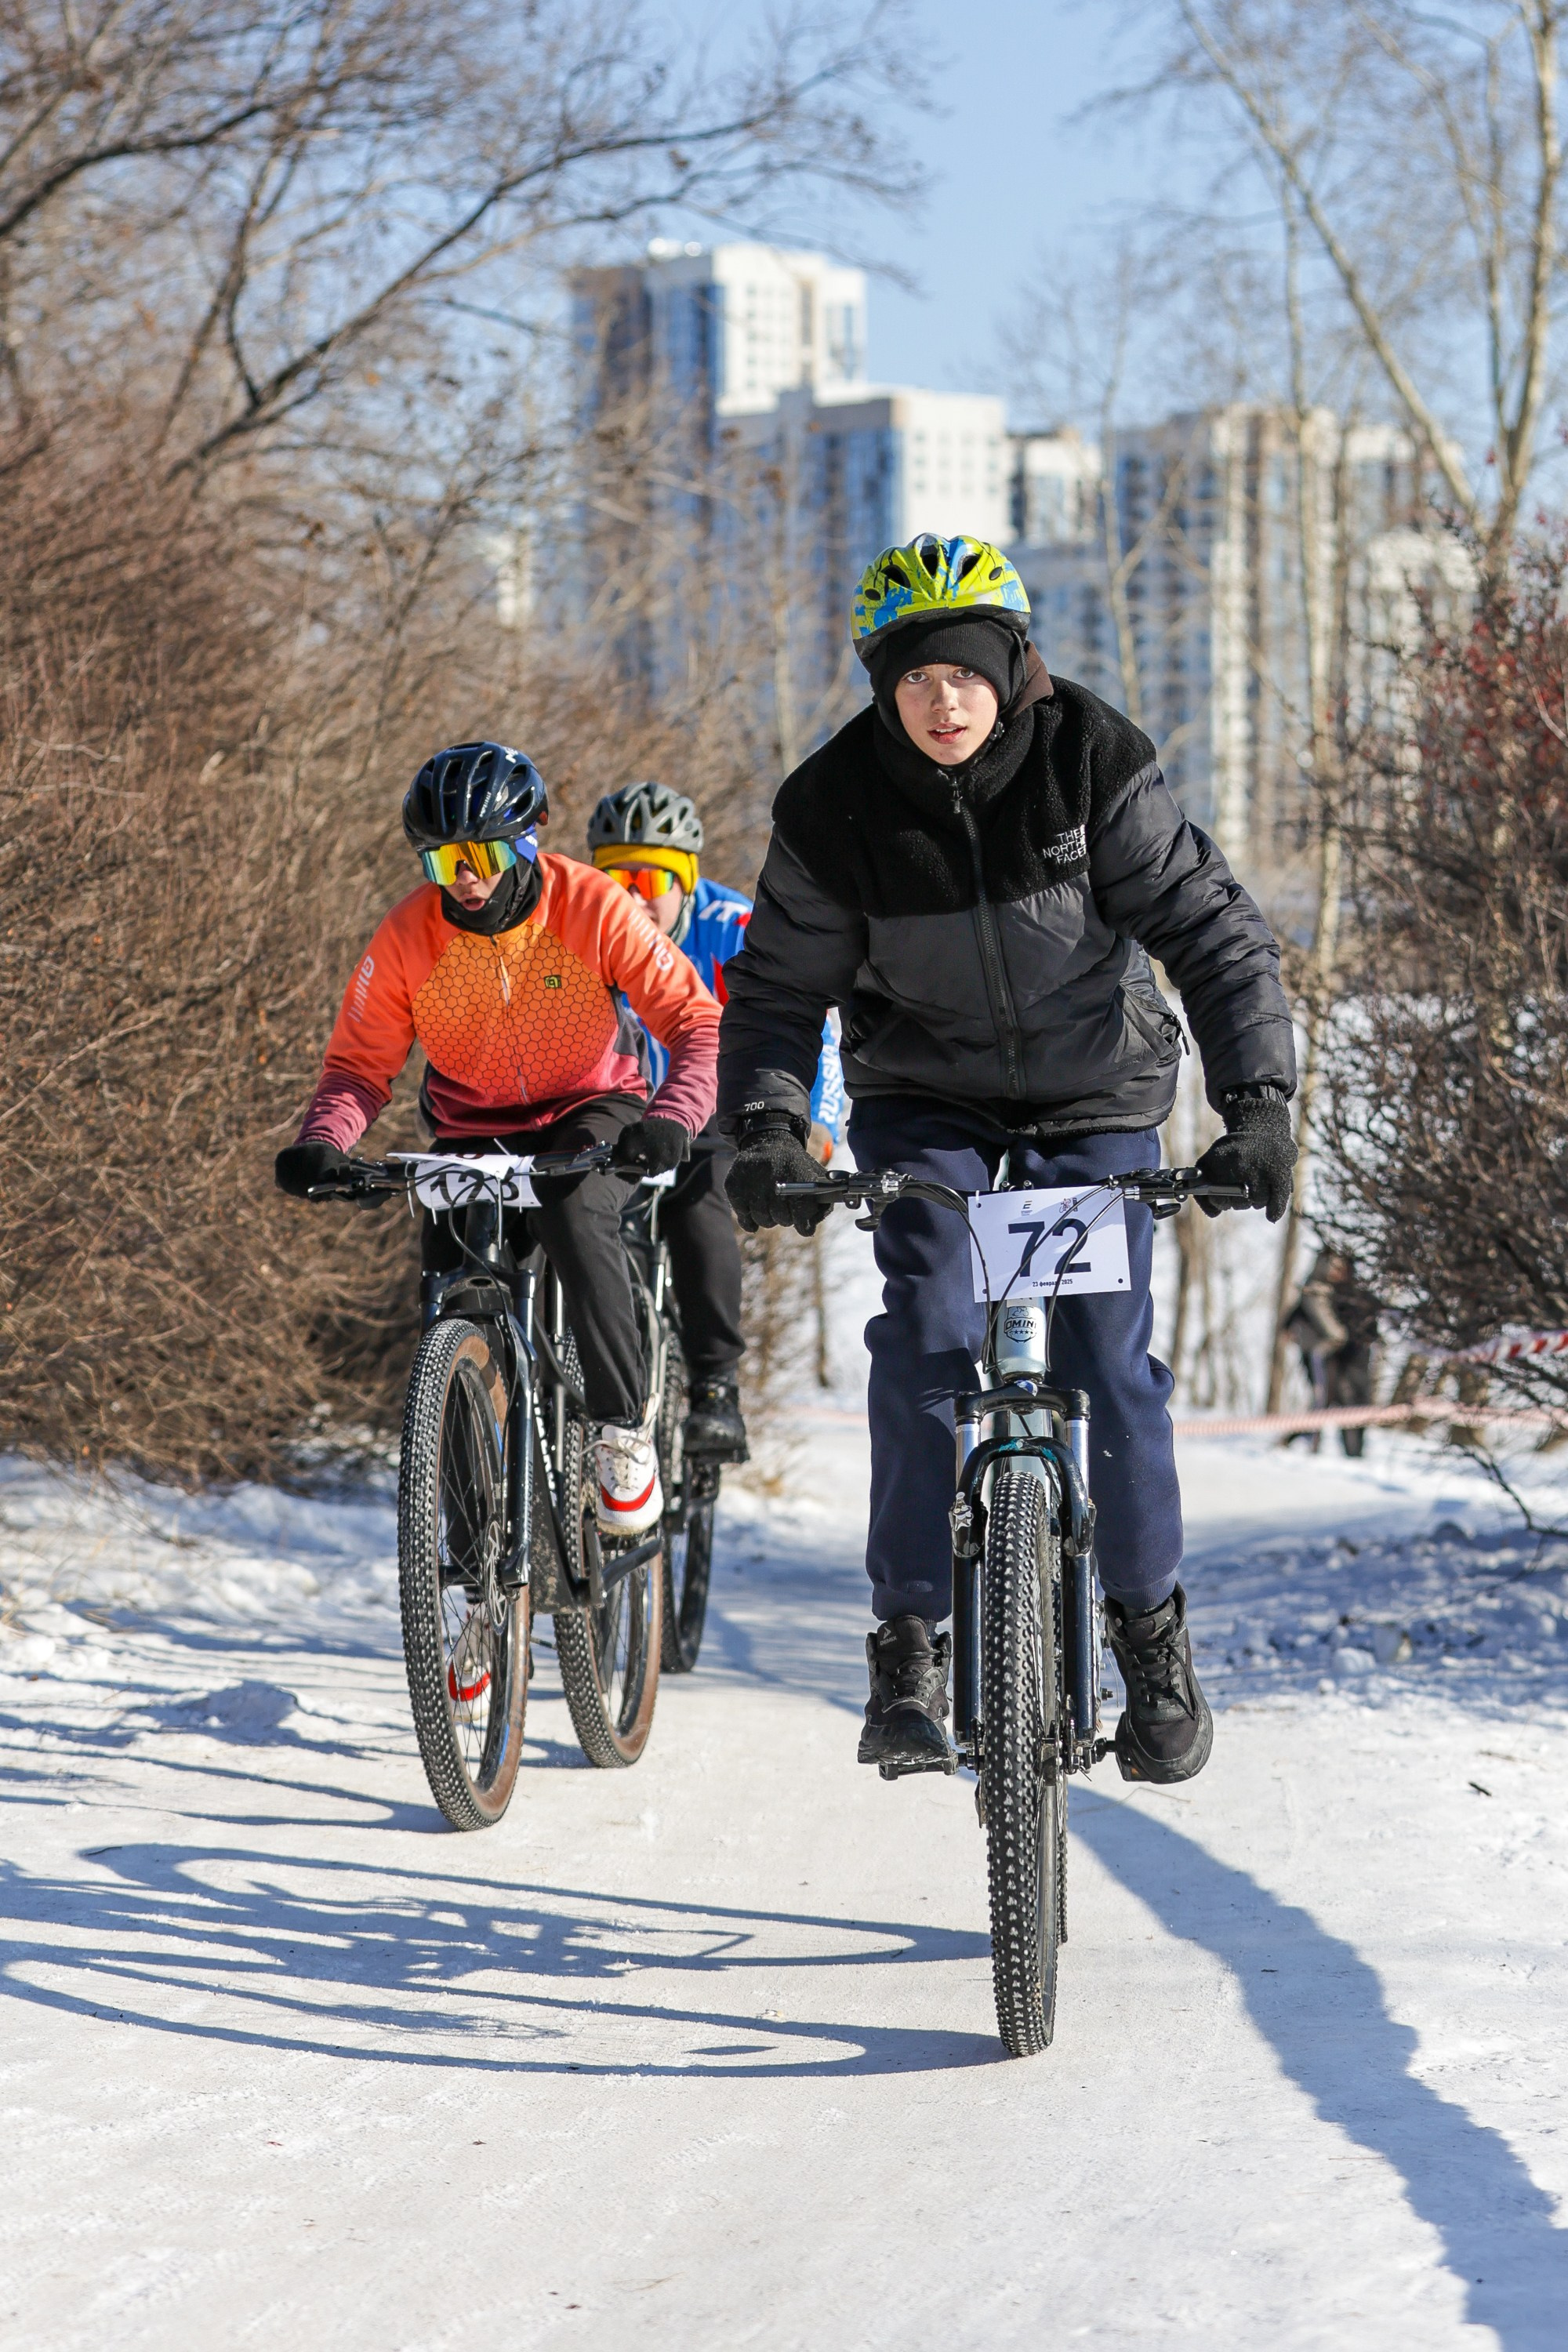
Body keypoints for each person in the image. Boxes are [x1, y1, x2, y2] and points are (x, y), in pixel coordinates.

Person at [716, 534, 1298, 1784]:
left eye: (967, 673)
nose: (943, 700)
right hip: (925, 1104)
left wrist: (1255, 1101)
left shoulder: (1091, 763)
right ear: (882, 684)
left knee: (1109, 1358)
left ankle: (1149, 1642)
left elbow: (1212, 930)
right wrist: (765, 1125)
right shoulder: (831, 809)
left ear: (1013, 668)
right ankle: (910, 1646)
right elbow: (771, 995)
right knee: (926, 1332)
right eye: (916, 676)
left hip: (1095, 1097)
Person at [274, 741, 720, 1537]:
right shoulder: (409, 935)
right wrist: (324, 1138)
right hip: (469, 1127)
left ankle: (621, 1428)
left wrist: (672, 1116)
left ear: (526, 839)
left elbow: (692, 1021)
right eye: (442, 862)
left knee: (577, 1210)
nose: (466, 877)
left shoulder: (589, 903)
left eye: (480, 853)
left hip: (590, 1108)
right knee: (448, 1292)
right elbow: (358, 1064)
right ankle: (468, 1543)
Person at [587, 781, 845, 1463]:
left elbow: (812, 1024)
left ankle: (713, 1389)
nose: (634, 896)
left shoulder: (735, 928)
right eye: (616, 878)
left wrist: (814, 1123)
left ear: (688, 879)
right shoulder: (582, 932)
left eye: (652, 878)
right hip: (624, 1111)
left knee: (700, 1200)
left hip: (714, 1111)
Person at [1285, 1248, 1379, 1456]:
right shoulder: (1317, 1291)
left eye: (1341, 1268)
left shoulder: (1356, 1295)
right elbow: (1294, 1317)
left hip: (1355, 1359)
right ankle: (1304, 1444)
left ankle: (1352, 1453)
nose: (1337, 1272)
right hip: (1329, 1358)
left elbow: (1369, 1328)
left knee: (1354, 1406)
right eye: (1334, 1267)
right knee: (1325, 1401)